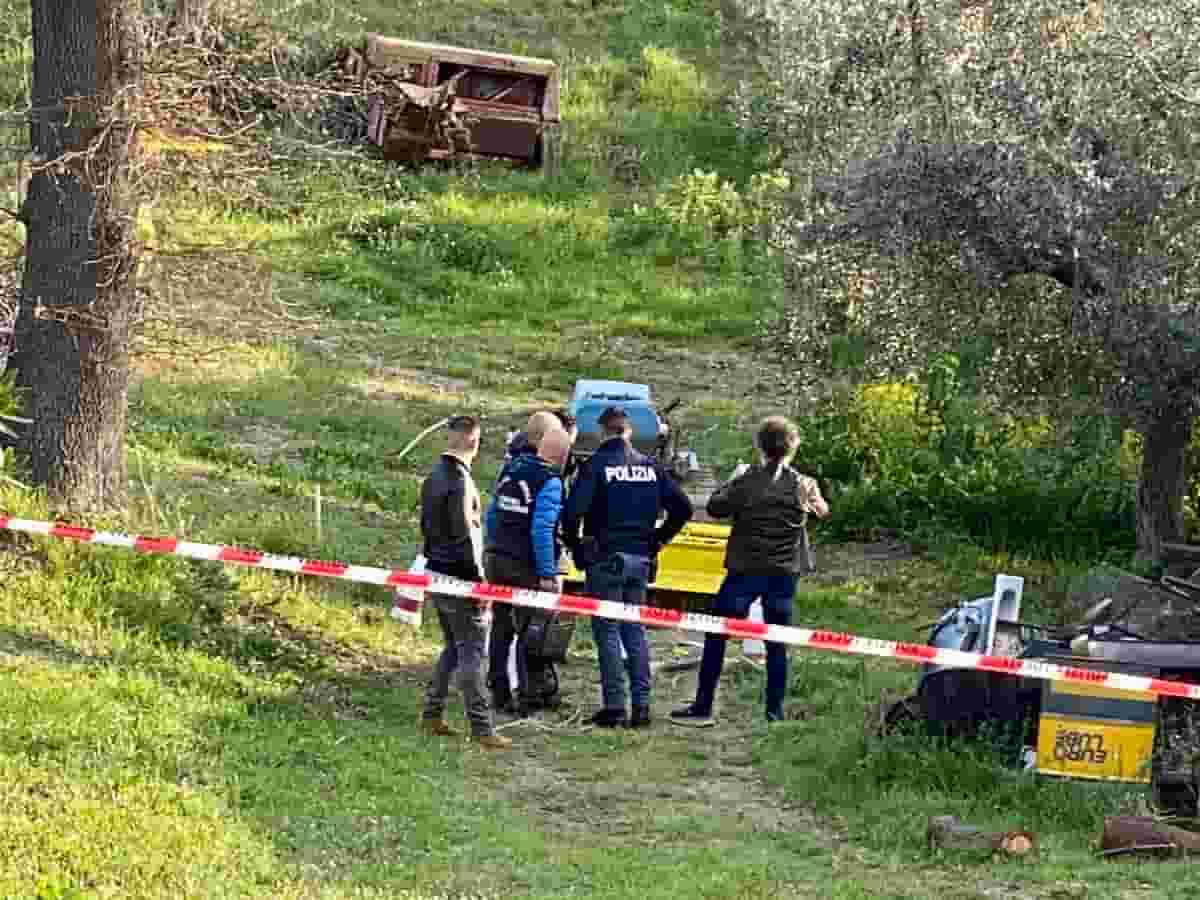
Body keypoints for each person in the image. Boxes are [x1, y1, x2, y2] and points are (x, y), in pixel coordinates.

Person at [669, 416, 830, 728]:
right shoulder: (804, 484)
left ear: (759, 446)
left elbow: (715, 507)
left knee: (716, 634)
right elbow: (823, 511)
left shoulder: (747, 480)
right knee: (776, 644)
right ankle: (774, 715)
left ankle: (703, 707)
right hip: (783, 574)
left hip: (744, 572)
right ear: (793, 448)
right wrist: (813, 497)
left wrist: (733, 479)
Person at [563, 406, 693, 728]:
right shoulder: (651, 466)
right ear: (629, 432)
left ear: (603, 433)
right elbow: (683, 508)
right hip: (641, 559)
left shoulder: (595, 466)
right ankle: (643, 706)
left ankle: (615, 707)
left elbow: (571, 513)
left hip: (606, 559)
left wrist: (577, 547)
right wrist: (658, 540)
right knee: (634, 630)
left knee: (607, 631)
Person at [418, 415, 511, 750]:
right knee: (472, 653)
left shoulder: (433, 476)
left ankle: (432, 714)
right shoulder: (460, 482)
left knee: (453, 648)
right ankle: (482, 727)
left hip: (436, 572)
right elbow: (466, 538)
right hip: (460, 578)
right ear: (475, 442)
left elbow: (426, 528)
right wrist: (480, 583)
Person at [482, 427, 573, 716]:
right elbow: (542, 529)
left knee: (501, 626)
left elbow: (491, 514)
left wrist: (492, 547)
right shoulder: (550, 481)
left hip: (497, 558)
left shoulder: (511, 469)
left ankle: (498, 691)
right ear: (563, 455)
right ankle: (528, 695)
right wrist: (547, 573)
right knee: (530, 630)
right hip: (526, 565)